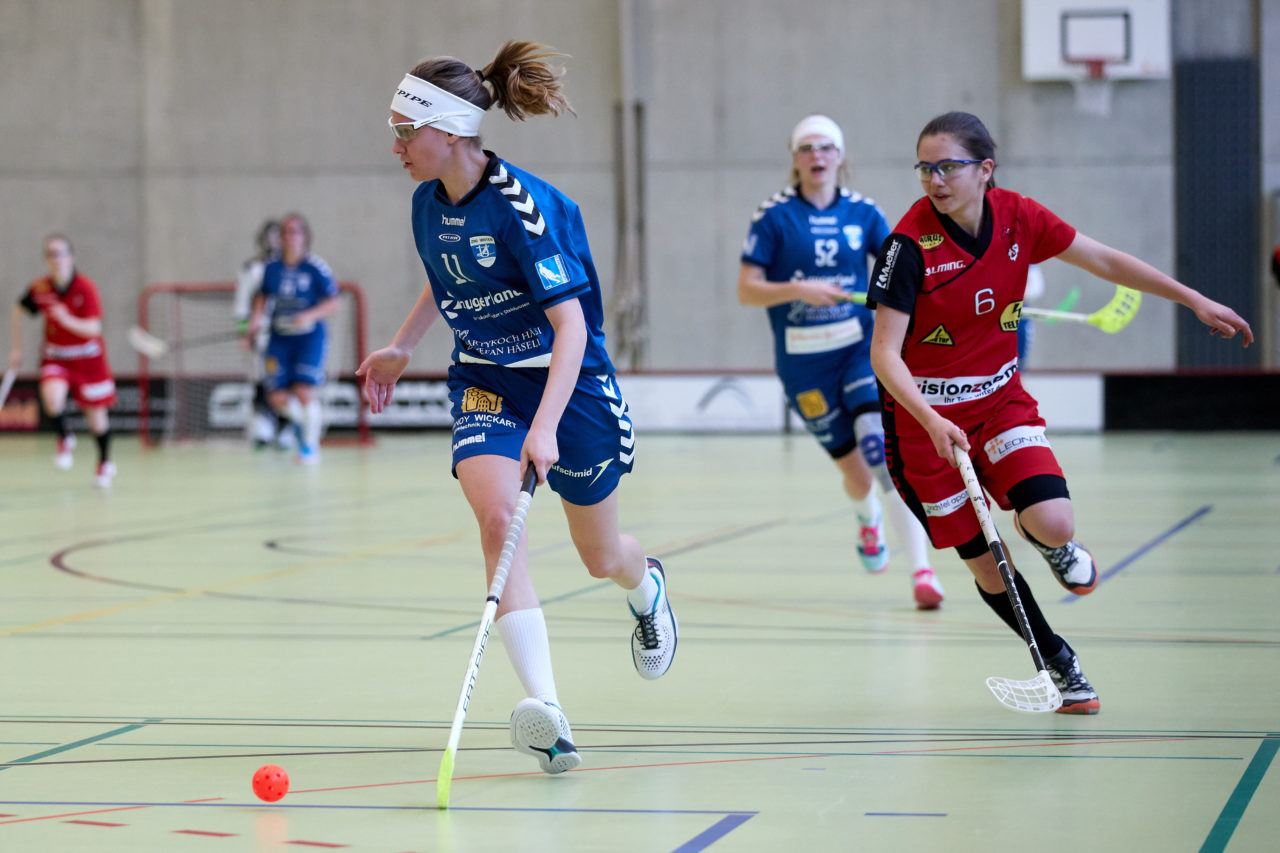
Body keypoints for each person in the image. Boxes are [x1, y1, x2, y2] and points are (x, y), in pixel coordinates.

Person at [357, 40, 677, 774]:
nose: (398, 144)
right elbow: (449, 279)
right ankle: (550, 714)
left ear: (451, 131)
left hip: (572, 387)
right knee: (500, 521)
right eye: (395, 129)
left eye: (408, 130)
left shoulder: (527, 210)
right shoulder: (426, 204)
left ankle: (647, 584)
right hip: (486, 381)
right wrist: (405, 345)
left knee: (603, 556)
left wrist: (545, 427)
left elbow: (571, 327)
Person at [867, 111, 1253, 714]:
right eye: (925, 167)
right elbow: (884, 355)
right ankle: (1057, 660)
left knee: (1055, 523)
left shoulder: (1021, 218)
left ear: (985, 170)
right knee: (989, 569)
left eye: (948, 166)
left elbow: (1103, 260)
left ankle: (1045, 541)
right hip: (925, 428)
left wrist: (1193, 299)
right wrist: (930, 419)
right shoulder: (907, 246)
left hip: (999, 403)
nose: (934, 179)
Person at [738, 115, 943, 610]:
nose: (817, 156)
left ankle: (922, 571)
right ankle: (867, 517)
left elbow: (901, 269)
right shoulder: (773, 217)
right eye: (807, 148)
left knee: (880, 453)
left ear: (840, 157)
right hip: (804, 366)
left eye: (826, 148)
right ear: (795, 158)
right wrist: (797, 288)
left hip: (859, 349)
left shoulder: (864, 213)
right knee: (856, 474)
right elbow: (747, 290)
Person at [8, 234, 118, 487]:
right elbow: (17, 312)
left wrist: (67, 319)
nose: (56, 259)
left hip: (89, 359)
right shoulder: (40, 288)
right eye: (51, 254)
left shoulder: (86, 287)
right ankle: (64, 437)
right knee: (52, 398)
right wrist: (16, 348)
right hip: (56, 356)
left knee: (96, 419)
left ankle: (103, 463)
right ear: (46, 259)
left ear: (71, 256)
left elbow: (94, 329)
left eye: (61, 253)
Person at [248, 213, 340, 464]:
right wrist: (255, 321)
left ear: (305, 236)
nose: (290, 237)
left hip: (309, 338)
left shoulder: (315, 267)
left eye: (295, 231)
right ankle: (309, 424)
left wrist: (308, 315)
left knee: (303, 390)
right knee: (276, 396)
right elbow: (261, 297)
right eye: (286, 232)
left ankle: (310, 448)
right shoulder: (271, 268)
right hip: (279, 337)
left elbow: (333, 304)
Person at [234, 218, 292, 449]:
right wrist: (244, 332)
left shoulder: (292, 266)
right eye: (269, 236)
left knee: (285, 382)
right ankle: (262, 428)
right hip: (261, 335)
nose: (273, 241)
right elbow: (242, 304)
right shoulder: (251, 268)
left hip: (288, 334)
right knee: (261, 381)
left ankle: (287, 427)